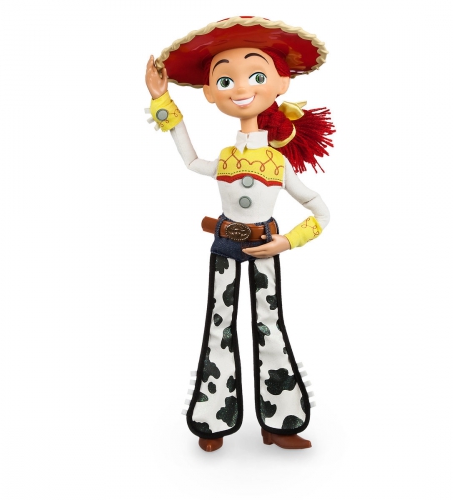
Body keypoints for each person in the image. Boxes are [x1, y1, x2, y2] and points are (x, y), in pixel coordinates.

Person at [145, 16, 335, 452]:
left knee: (270, 323)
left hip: (266, 246)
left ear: (281, 83)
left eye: (256, 76)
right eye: (225, 79)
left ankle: (281, 420)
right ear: (211, 92)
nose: (240, 88)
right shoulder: (227, 158)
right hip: (225, 245)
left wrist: (288, 240)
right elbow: (191, 161)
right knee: (219, 324)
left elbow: (320, 211)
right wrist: (161, 100)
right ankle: (213, 418)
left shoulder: (277, 163)